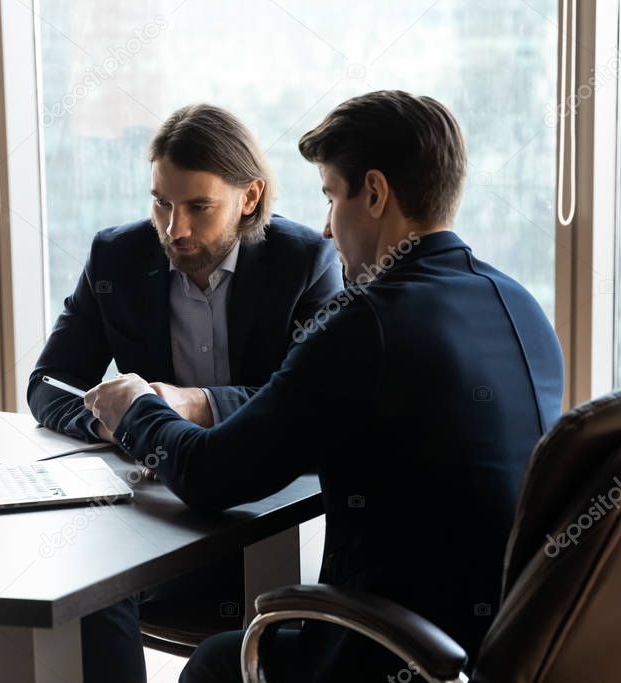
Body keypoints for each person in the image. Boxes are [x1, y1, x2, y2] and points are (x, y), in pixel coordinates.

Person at [84, 90, 565, 681]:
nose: (328, 226)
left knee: (217, 662)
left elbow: (213, 476)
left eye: (332, 197)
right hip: (503, 646)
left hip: (389, 651)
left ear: (374, 193)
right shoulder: (520, 306)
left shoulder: (365, 324)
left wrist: (136, 408)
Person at [28, 104, 342, 683]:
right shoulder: (116, 258)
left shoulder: (305, 263)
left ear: (249, 198)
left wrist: (193, 402)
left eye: (198, 207)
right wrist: (112, 421)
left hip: (269, 516)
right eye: (161, 203)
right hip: (158, 512)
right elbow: (48, 383)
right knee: (85, 589)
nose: (175, 228)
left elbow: (311, 400)